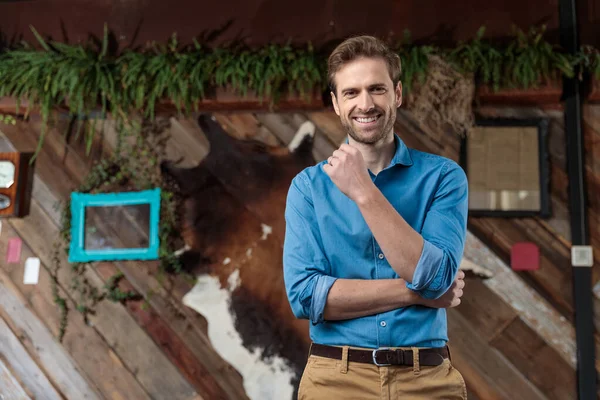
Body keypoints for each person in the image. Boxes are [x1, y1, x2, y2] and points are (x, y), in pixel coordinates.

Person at [283, 35, 469, 400]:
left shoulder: (444, 178)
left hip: (427, 380)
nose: (365, 104)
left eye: (376, 89)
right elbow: (306, 297)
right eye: (351, 93)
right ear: (336, 104)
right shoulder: (307, 188)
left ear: (397, 94)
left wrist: (363, 191)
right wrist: (415, 294)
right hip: (335, 380)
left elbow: (434, 277)